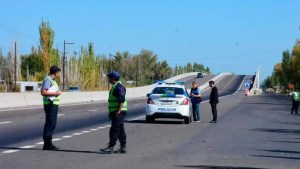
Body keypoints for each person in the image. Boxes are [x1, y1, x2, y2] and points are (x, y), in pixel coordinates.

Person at [100, 70, 128, 154]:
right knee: (120, 129)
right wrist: (111, 112)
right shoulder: (116, 86)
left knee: (114, 129)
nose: (108, 80)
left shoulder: (118, 87)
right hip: (116, 111)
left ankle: (111, 147)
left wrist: (118, 110)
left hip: (119, 111)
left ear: (113, 78)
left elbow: (122, 99)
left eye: (109, 78)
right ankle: (123, 147)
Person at [41, 65, 62, 150]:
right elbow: (43, 92)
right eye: (58, 72)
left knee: (51, 124)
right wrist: (55, 94)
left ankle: (48, 143)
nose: (59, 74)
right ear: (55, 72)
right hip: (50, 104)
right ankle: (47, 144)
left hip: (53, 104)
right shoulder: (48, 80)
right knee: (50, 124)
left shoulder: (52, 80)